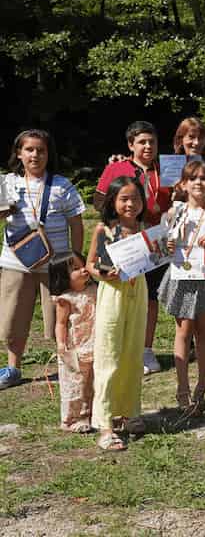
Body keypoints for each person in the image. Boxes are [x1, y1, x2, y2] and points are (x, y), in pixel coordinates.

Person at [0, 129, 85, 390]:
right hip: (16, 263)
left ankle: (66, 366)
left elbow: (77, 224)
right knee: (13, 317)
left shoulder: (62, 185)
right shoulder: (6, 183)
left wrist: (75, 259)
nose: (35, 155)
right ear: (19, 153)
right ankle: (13, 368)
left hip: (56, 263)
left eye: (41, 150)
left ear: (49, 154)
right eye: (29, 149)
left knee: (61, 318)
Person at [95, 121, 171, 375]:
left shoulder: (167, 167)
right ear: (130, 145)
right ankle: (121, 348)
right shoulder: (117, 167)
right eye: (142, 142)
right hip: (124, 239)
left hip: (154, 240)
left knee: (148, 297)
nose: (148, 146)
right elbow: (99, 200)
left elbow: (179, 197)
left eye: (152, 142)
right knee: (121, 293)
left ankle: (146, 350)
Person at [158, 160, 205, 415]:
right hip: (181, 276)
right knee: (183, 332)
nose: (199, 182)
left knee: (203, 333)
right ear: (184, 184)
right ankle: (182, 388)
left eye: (204, 178)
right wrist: (167, 245)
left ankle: (202, 385)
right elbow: (163, 241)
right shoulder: (175, 210)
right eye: (193, 178)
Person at [86, 176, 148, 450]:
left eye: (135, 198)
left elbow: (153, 258)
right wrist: (103, 274)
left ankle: (130, 411)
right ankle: (104, 423)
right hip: (112, 294)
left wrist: (164, 249)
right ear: (112, 201)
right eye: (124, 198)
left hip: (139, 293)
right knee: (109, 354)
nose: (130, 204)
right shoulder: (104, 229)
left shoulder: (144, 229)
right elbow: (89, 265)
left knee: (134, 353)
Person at [49, 253, 97, 433]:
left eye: (83, 265)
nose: (84, 269)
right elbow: (60, 323)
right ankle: (70, 419)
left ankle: (89, 414)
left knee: (91, 382)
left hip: (94, 342)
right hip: (75, 347)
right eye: (75, 269)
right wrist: (61, 344)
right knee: (74, 384)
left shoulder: (94, 289)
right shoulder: (66, 299)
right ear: (63, 276)